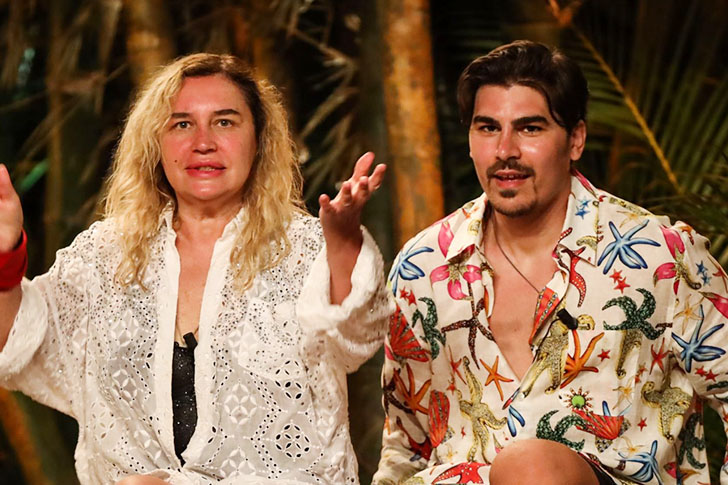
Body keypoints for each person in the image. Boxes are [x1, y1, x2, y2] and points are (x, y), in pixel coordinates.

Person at [0, 53, 391, 485]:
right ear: (155, 143)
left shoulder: (304, 249)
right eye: (182, 124)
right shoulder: (105, 255)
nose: (203, 142)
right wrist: (4, 256)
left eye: (224, 122)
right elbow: (20, 345)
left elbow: (356, 338)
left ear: (259, 140)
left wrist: (344, 243)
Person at [373, 40, 728, 485]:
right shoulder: (422, 266)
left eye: (530, 128)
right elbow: (405, 445)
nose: (505, 149)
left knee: (532, 467)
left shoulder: (659, 255)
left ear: (575, 139)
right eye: (487, 128)